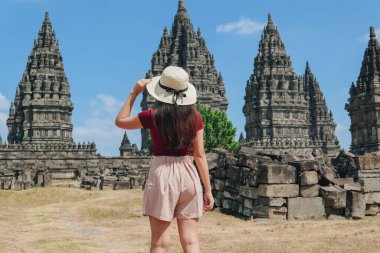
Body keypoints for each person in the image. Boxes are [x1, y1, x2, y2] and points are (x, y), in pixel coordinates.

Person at [115, 66, 214, 253]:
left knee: (160, 243)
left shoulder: (152, 116)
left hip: (162, 174)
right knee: (191, 241)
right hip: (189, 174)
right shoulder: (195, 117)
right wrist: (207, 190)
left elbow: (120, 121)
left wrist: (134, 93)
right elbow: (199, 155)